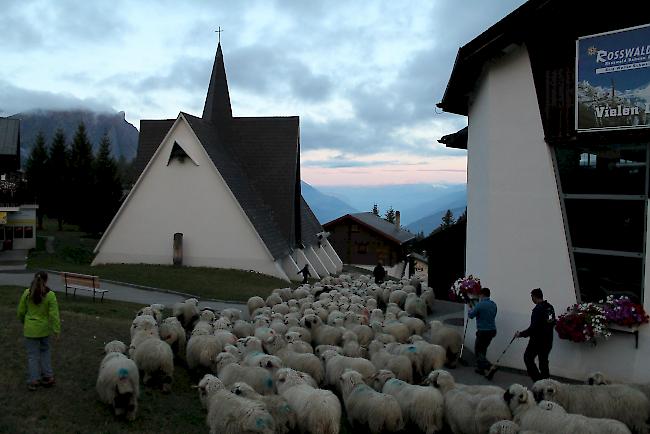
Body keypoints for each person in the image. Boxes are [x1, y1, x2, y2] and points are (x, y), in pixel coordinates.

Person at [17, 271, 60, 391]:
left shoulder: (27, 293)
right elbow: (54, 315)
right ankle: (48, 376)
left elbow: (20, 311)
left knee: (32, 355)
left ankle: (34, 380)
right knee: (45, 352)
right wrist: (56, 330)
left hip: (30, 329)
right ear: (46, 281)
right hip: (44, 329)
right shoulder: (50, 295)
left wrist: (24, 322)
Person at [516, 288, 556, 382]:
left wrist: (520, 334)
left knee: (528, 358)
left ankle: (538, 381)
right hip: (548, 341)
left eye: (531, 297)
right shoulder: (549, 307)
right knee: (543, 362)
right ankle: (546, 383)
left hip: (537, 341)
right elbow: (551, 322)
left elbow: (533, 328)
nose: (532, 299)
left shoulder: (537, 310)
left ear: (534, 296)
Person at [467, 287, 497, 375]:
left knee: (478, 350)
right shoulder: (493, 304)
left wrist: (469, 309)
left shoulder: (480, 305)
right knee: (483, 349)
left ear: (482, 295)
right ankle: (481, 369)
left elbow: (471, 315)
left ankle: (490, 367)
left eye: (480, 295)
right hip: (492, 330)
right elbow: (494, 315)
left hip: (483, 331)